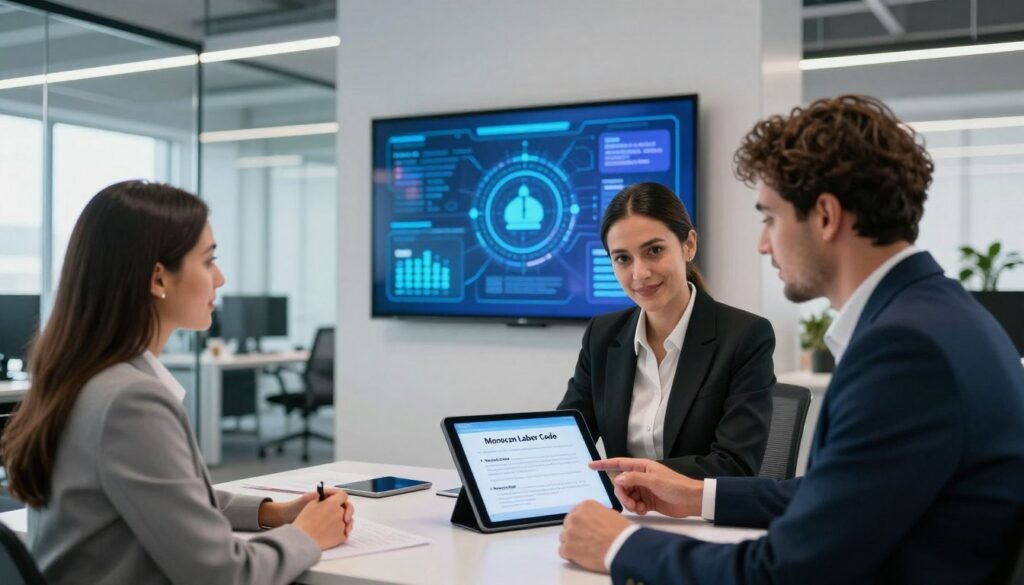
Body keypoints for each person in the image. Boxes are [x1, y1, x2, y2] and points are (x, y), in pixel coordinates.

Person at [559, 95, 1024, 584]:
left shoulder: (905, 350)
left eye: (769, 217)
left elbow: (785, 572)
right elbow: (840, 493)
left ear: (825, 216)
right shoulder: (940, 316)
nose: (763, 243)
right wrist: (697, 495)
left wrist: (620, 545)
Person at [1, 181, 355, 585]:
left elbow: (166, 500)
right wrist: (306, 534)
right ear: (158, 279)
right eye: (208, 261)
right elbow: (224, 574)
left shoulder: (85, 377)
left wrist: (274, 513)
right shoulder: (129, 400)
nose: (219, 278)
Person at [558, 182, 775, 478]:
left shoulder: (745, 337)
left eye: (655, 250)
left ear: (689, 245)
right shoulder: (602, 335)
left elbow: (735, 465)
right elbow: (565, 442)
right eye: (623, 258)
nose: (640, 273)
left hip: (702, 520)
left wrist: (634, 478)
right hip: (622, 515)